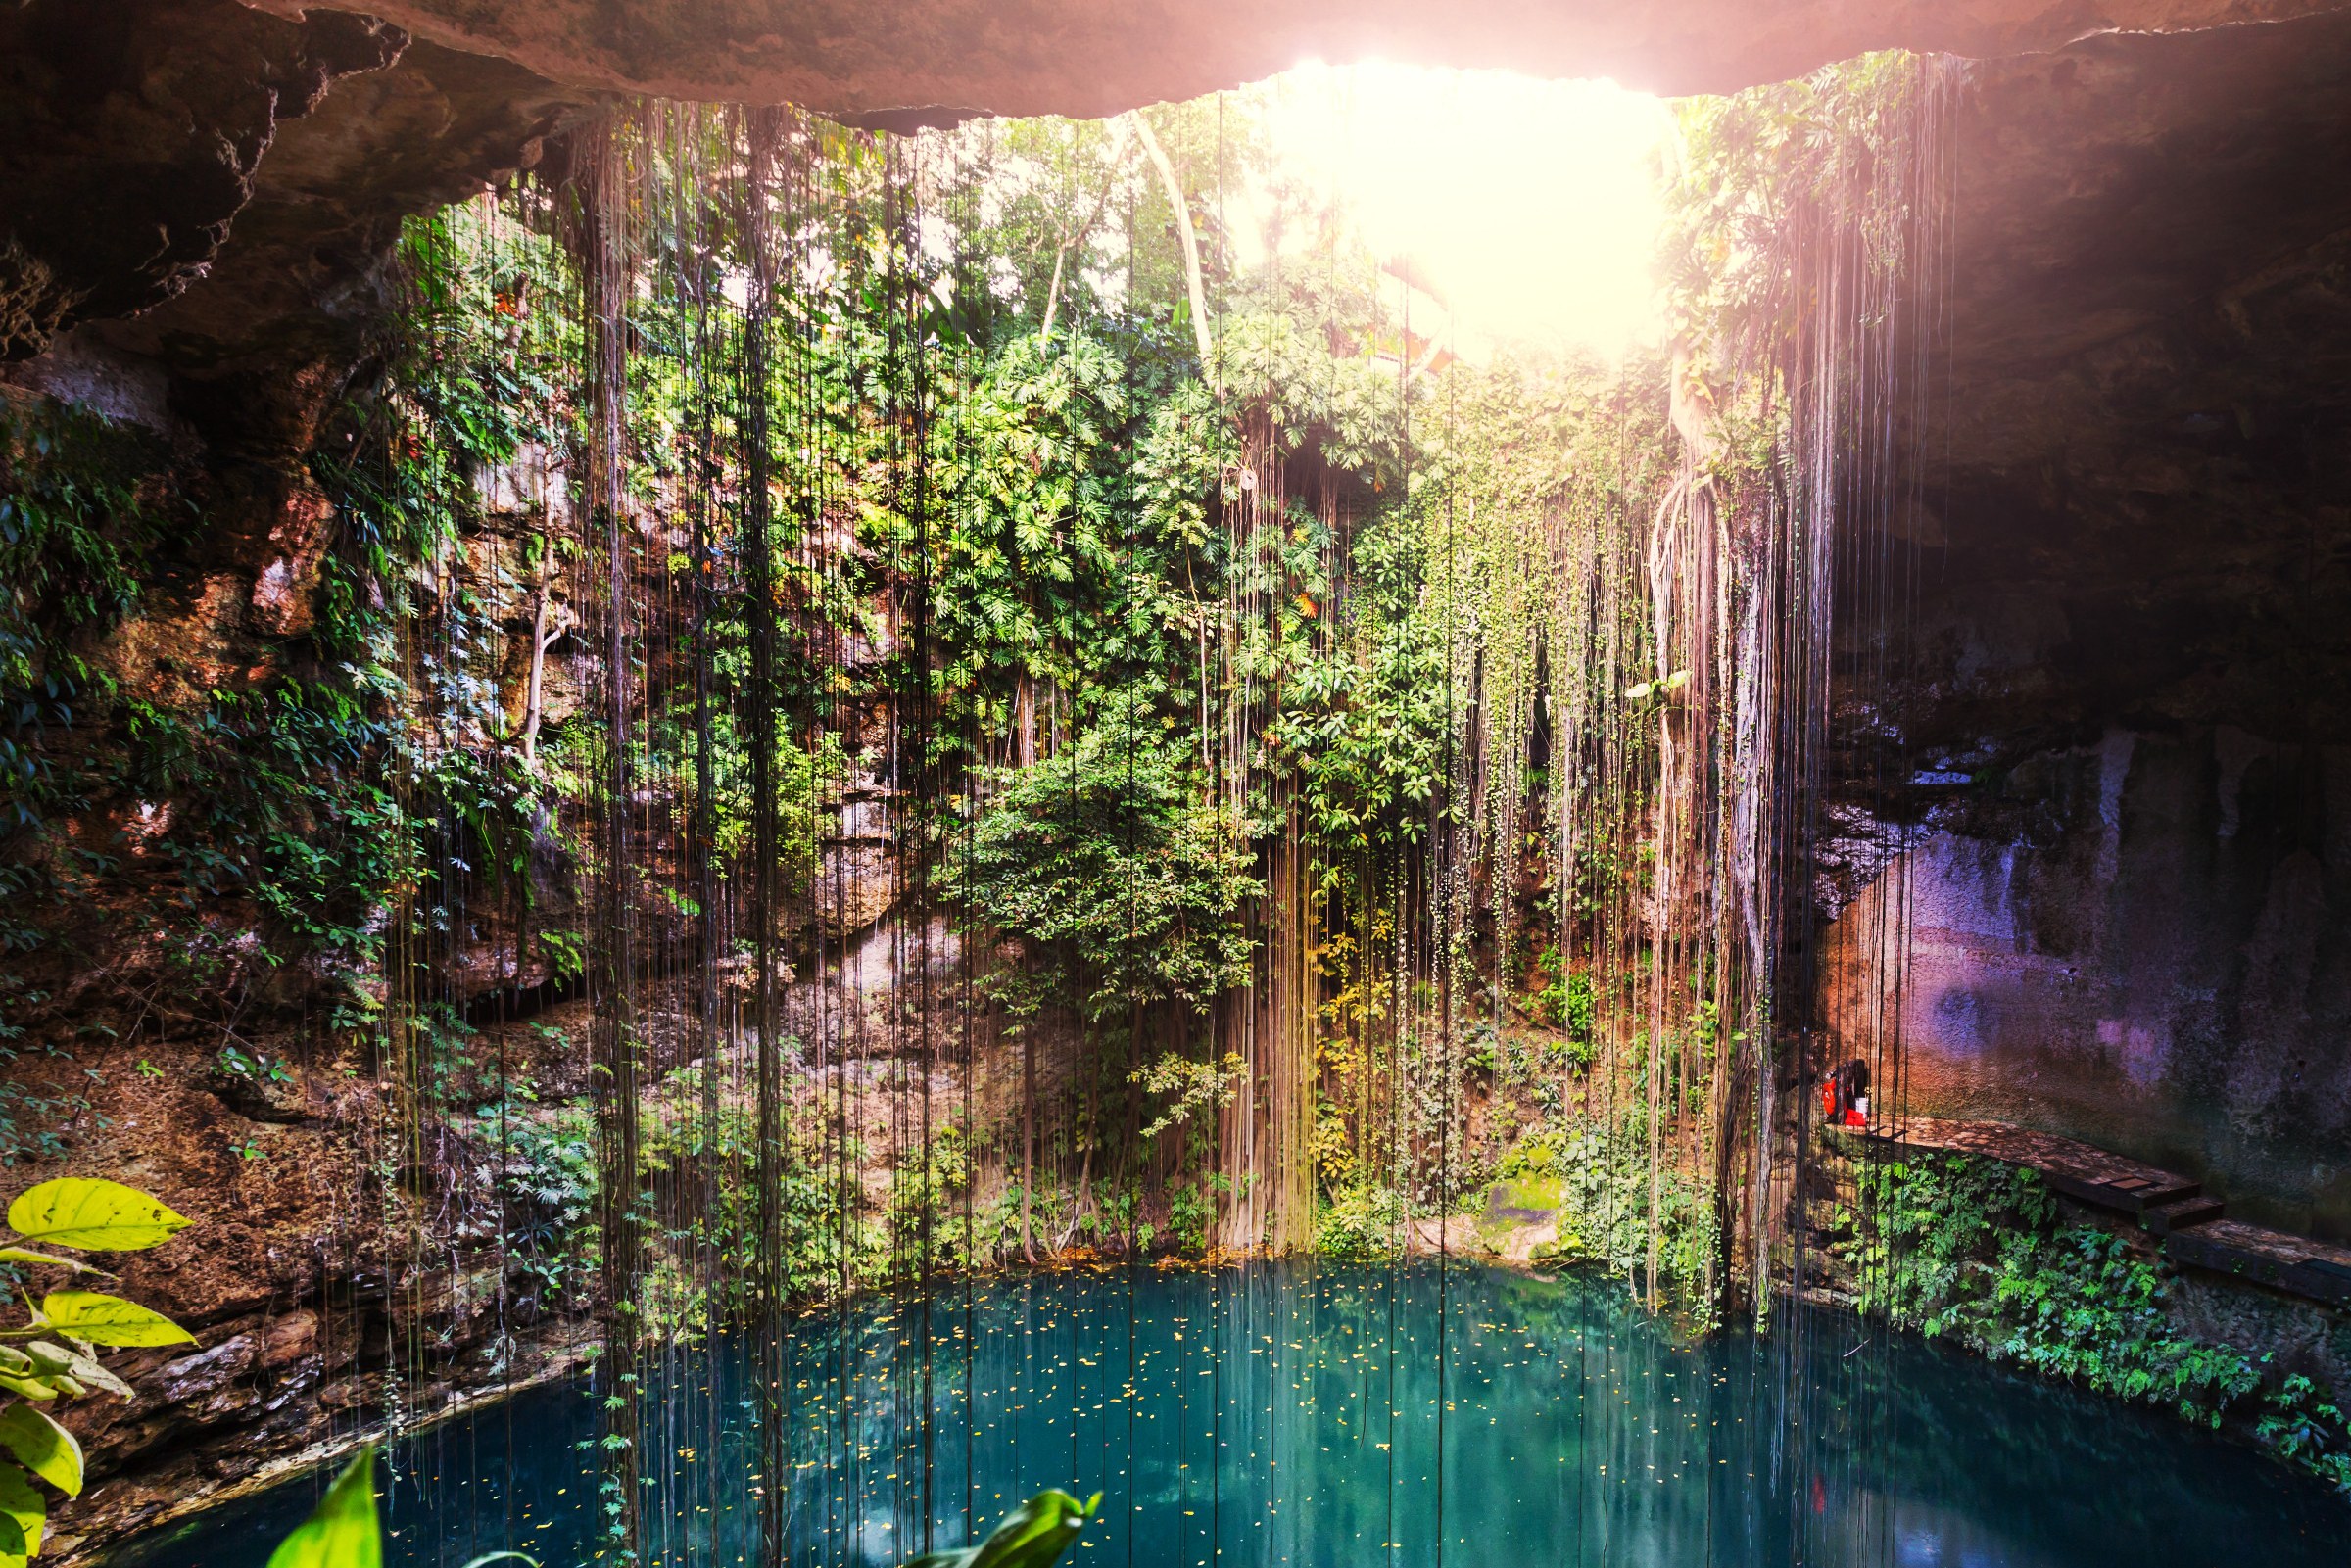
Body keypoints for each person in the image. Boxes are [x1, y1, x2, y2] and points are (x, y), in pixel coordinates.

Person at [1821, 1057, 1871, 1128]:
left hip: (1845, 1098)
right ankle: (1833, 1116)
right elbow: (1828, 1087)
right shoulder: (1837, 1078)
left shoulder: (1851, 1077)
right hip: (1836, 1097)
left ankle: (1840, 1117)